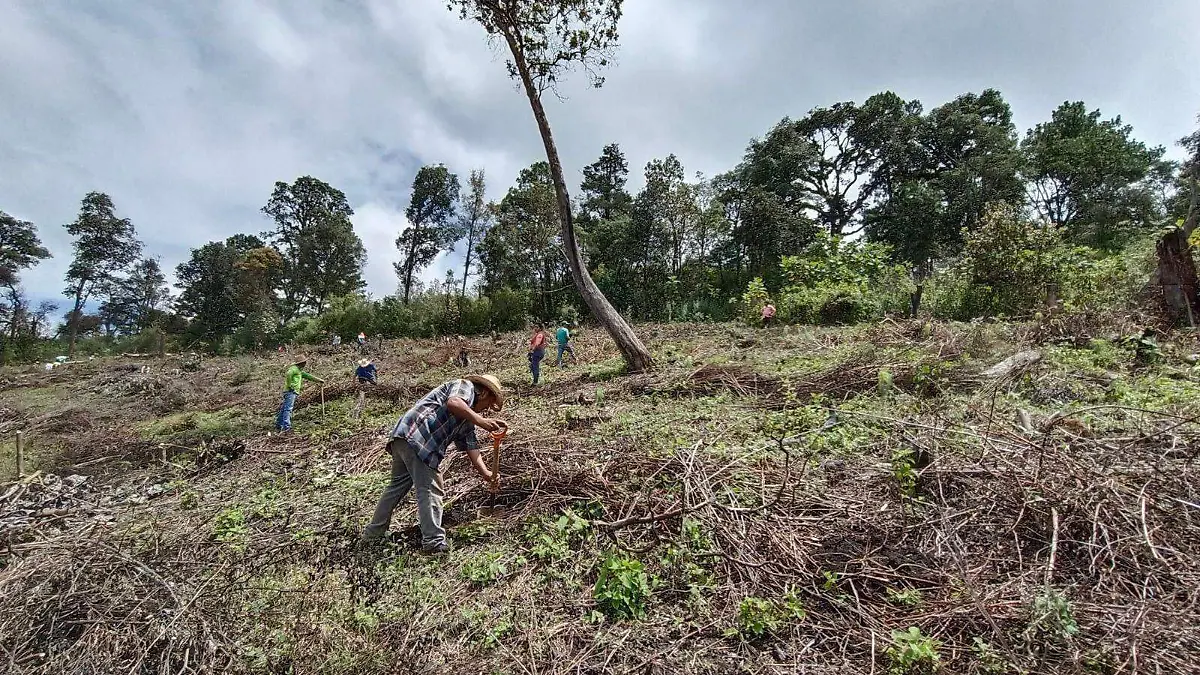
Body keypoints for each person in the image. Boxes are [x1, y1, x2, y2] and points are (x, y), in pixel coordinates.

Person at [361, 375, 506, 553]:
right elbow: (454, 403)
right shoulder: (465, 386)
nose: (487, 411)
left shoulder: (467, 419)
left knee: (396, 487)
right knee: (430, 488)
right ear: (484, 393)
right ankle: (433, 542)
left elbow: (471, 447)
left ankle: (373, 534)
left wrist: (486, 473)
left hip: (404, 438)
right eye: (490, 404)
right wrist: (481, 421)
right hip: (418, 436)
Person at [275, 356, 324, 432]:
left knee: (284, 408)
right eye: (304, 362)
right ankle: (286, 427)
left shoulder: (299, 370)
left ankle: (279, 424)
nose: (305, 363)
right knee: (288, 409)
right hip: (290, 391)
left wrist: (319, 380)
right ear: (301, 363)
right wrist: (290, 385)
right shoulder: (293, 369)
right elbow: (288, 374)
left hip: (291, 391)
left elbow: (307, 376)